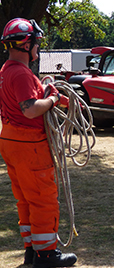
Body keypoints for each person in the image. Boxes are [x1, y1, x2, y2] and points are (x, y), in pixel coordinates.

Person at [0, 18, 77, 267]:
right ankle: (46, 255)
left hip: (11, 140)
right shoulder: (21, 73)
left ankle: (32, 250)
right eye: (36, 43)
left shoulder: (6, 70)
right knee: (43, 197)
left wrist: (56, 96)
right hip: (29, 144)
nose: (38, 48)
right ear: (26, 44)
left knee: (25, 198)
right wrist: (54, 98)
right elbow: (31, 109)